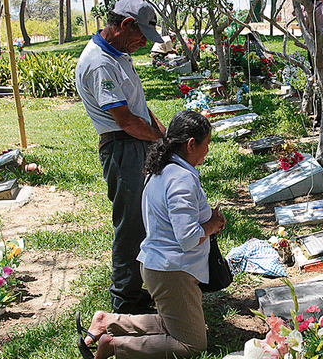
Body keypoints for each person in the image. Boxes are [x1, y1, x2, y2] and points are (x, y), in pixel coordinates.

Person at [76, 110, 227, 359]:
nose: (207, 151)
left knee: (171, 324)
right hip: (173, 271)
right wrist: (211, 225)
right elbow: (188, 238)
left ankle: (107, 322)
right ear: (191, 145)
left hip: (158, 265)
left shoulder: (163, 170)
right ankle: (115, 346)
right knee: (192, 345)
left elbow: (173, 217)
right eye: (206, 144)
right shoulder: (182, 180)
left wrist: (206, 216)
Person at [75, 0, 167, 315]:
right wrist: (162, 140)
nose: (144, 43)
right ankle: (125, 300)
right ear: (125, 25)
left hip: (137, 141)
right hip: (123, 147)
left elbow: (136, 107)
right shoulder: (101, 63)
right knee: (130, 226)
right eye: (142, 35)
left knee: (143, 219)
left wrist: (160, 131)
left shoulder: (118, 54)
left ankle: (135, 291)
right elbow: (125, 120)